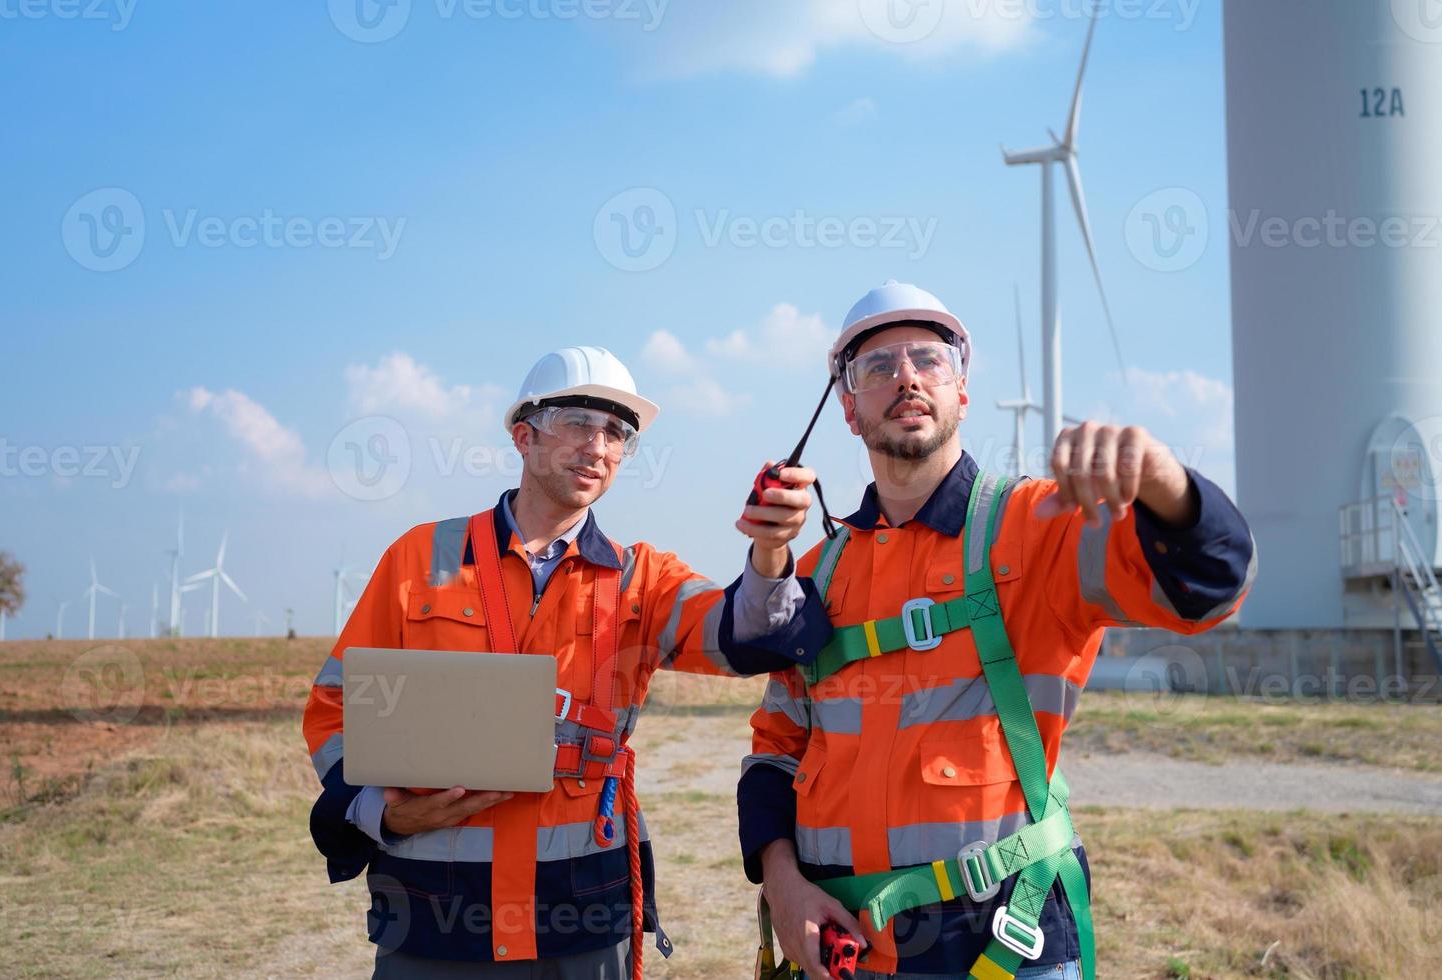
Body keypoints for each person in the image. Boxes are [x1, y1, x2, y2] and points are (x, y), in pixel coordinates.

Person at [739, 281, 1257, 979]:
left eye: (928, 358)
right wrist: (781, 879)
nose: (907, 378)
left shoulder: (1041, 527)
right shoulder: (817, 573)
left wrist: (1166, 483)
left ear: (962, 390)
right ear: (848, 409)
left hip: (1002, 939)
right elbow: (775, 750)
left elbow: (1206, 588)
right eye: (877, 367)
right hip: (844, 944)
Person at [304, 346, 829, 978]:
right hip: (432, 914)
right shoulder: (422, 558)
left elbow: (743, 635)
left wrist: (770, 552)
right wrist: (379, 812)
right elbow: (336, 708)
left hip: (579, 919)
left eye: (617, 433)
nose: (600, 446)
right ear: (524, 437)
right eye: (580, 422)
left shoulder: (643, 578)